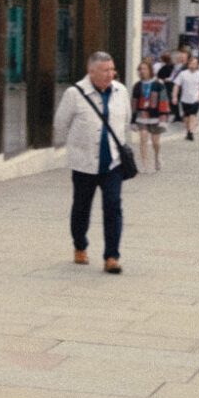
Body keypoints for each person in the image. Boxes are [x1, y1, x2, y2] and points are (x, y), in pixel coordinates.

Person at [54, 51, 131, 273]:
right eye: (105, 70)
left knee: (113, 206)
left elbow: (125, 121)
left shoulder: (121, 91)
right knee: (81, 207)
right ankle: (80, 246)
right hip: (84, 163)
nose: (110, 74)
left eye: (112, 69)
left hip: (112, 164)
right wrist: (79, 144)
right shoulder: (74, 94)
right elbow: (61, 124)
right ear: (91, 72)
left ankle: (112, 257)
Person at [130, 59, 171, 172]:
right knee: (143, 137)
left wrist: (163, 118)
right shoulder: (137, 86)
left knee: (155, 142)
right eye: (140, 69)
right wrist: (133, 120)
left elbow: (164, 100)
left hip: (155, 116)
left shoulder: (158, 84)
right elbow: (134, 103)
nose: (142, 71)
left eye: (144, 69)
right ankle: (144, 163)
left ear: (150, 70)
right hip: (141, 115)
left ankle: (157, 156)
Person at [174, 56, 199, 141]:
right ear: (188, 64)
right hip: (185, 99)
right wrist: (174, 96)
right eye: (191, 63)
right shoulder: (183, 74)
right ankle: (188, 131)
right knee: (186, 117)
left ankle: (191, 133)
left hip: (195, 99)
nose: (193, 65)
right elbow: (176, 85)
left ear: (197, 65)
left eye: (195, 64)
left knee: (192, 115)